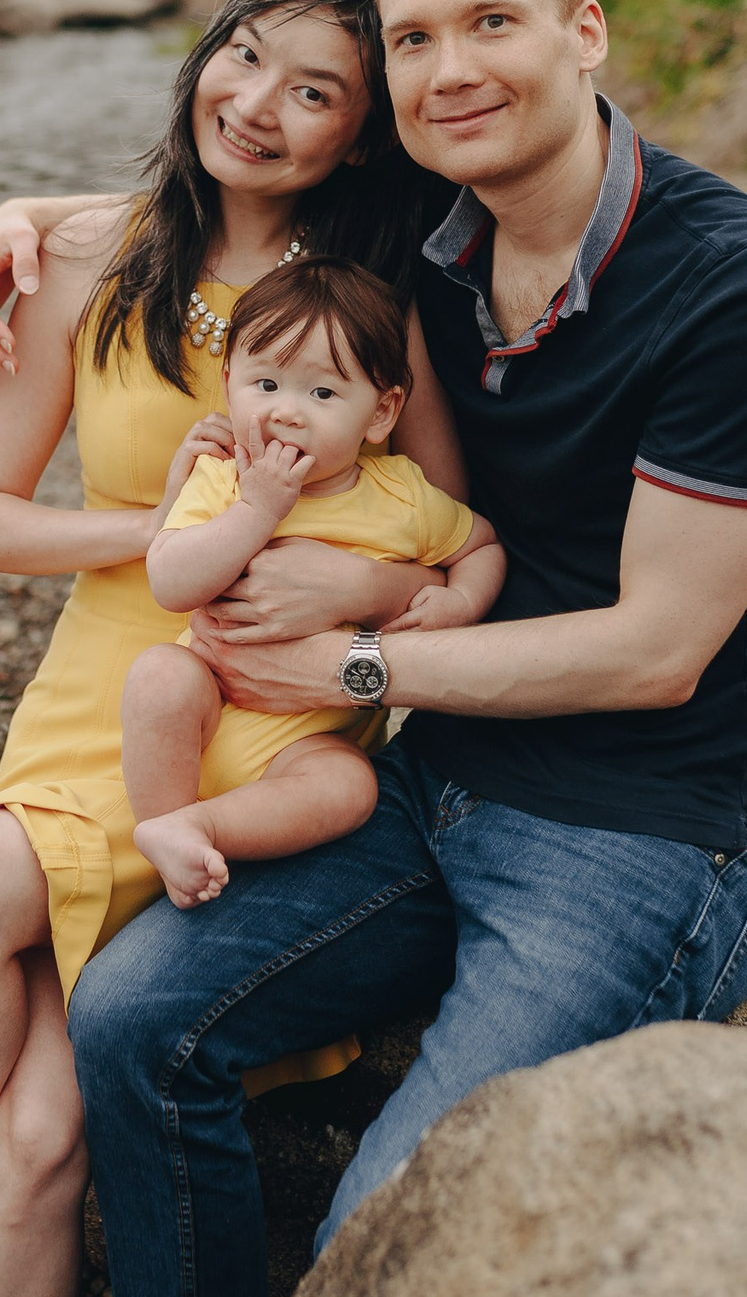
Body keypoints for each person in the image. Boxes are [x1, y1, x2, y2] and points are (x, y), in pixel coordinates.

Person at [0, 0, 747, 1297]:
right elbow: (238, 163)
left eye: (492, 21)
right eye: (415, 41)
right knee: (129, 1021)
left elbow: (660, 651)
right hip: (441, 782)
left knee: (389, 1226)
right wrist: (20, 212)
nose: (449, 69)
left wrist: (348, 663)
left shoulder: (738, 286)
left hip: (641, 826)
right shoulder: (432, 236)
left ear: (588, 31)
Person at [0, 0, 468, 1297]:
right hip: (108, 686)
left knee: (48, 1125)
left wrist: (338, 593)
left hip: (267, 704)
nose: (254, 101)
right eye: (243, 53)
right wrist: (168, 530)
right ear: (206, 46)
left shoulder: (367, 302)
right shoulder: (76, 257)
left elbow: (447, 530)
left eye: (314, 91)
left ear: (361, 138)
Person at [125, 256, 502, 910]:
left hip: (307, 743)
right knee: (158, 676)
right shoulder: (223, 481)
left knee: (354, 787)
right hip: (208, 707)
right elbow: (169, 580)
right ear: (228, 382)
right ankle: (165, 823)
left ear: (381, 413)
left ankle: (199, 830)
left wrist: (460, 600)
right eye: (265, 383)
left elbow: (481, 545)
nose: (287, 413)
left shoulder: (401, 496)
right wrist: (256, 512)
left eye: (323, 394)